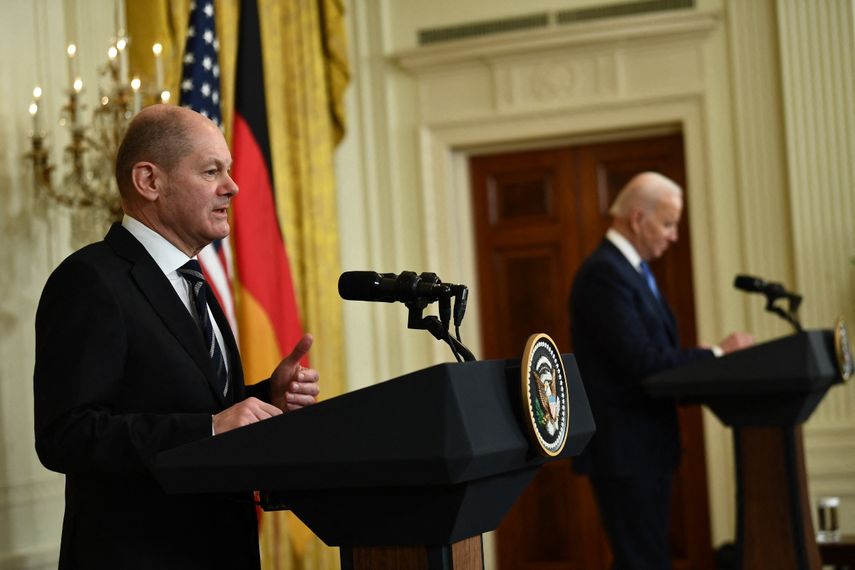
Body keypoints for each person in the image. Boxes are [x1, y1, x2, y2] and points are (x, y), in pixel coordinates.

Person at [33, 105, 320, 569]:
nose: (233, 186)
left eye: (228, 170)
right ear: (149, 181)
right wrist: (209, 429)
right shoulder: (90, 279)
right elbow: (67, 435)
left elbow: (192, 402)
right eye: (211, 171)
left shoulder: (193, 279)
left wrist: (268, 397)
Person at [569, 172, 753, 570]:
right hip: (625, 452)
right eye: (668, 224)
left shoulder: (630, 271)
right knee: (643, 562)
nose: (674, 236)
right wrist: (718, 354)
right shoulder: (604, 274)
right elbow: (644, 363)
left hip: (645, 448)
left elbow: (653, 356)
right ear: (638, 219)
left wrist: (704, 362)